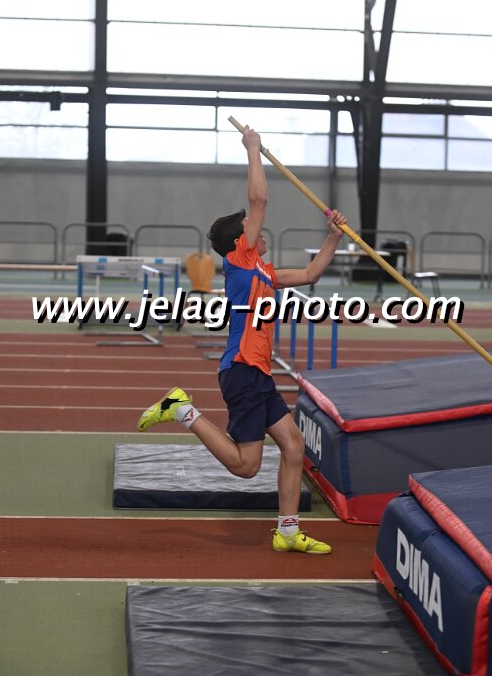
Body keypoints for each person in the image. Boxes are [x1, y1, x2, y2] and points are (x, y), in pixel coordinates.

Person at [138, 126, 347, 553]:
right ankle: (182, 410)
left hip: (257, 374)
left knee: (293, 444)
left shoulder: (264, 272)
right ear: (241, 240)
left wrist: (333, 237)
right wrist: (253, 150)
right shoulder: (240, 261)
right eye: (251, 226)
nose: (260, 227)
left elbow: (310, 274)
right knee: (246, 466)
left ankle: (287, 532)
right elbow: (260, 200)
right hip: (242, 371)